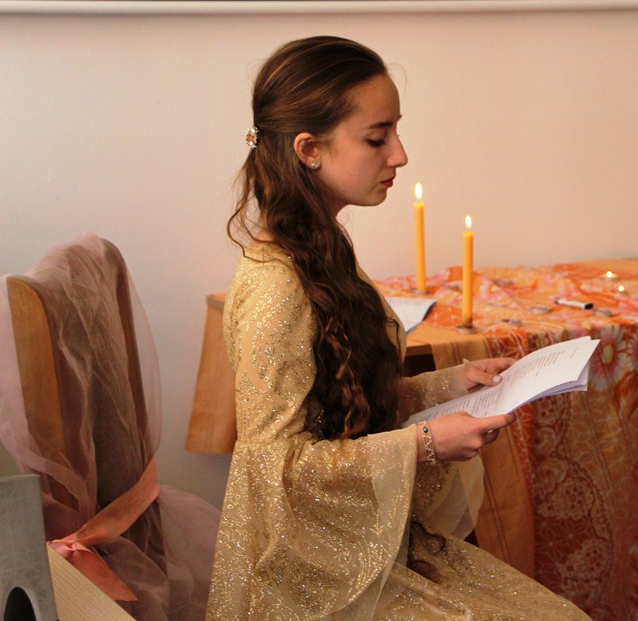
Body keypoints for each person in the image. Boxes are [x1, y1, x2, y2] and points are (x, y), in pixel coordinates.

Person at [206, 36, 589, 620]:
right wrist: (425, 443)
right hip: (314, 577)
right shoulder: (276, 285)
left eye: (396, 132)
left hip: (358, 548)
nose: (400, 155)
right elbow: (273, 467)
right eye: (377, 137)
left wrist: (447, 385)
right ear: (309, 149)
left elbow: (336, 408)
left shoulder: (321, 248)